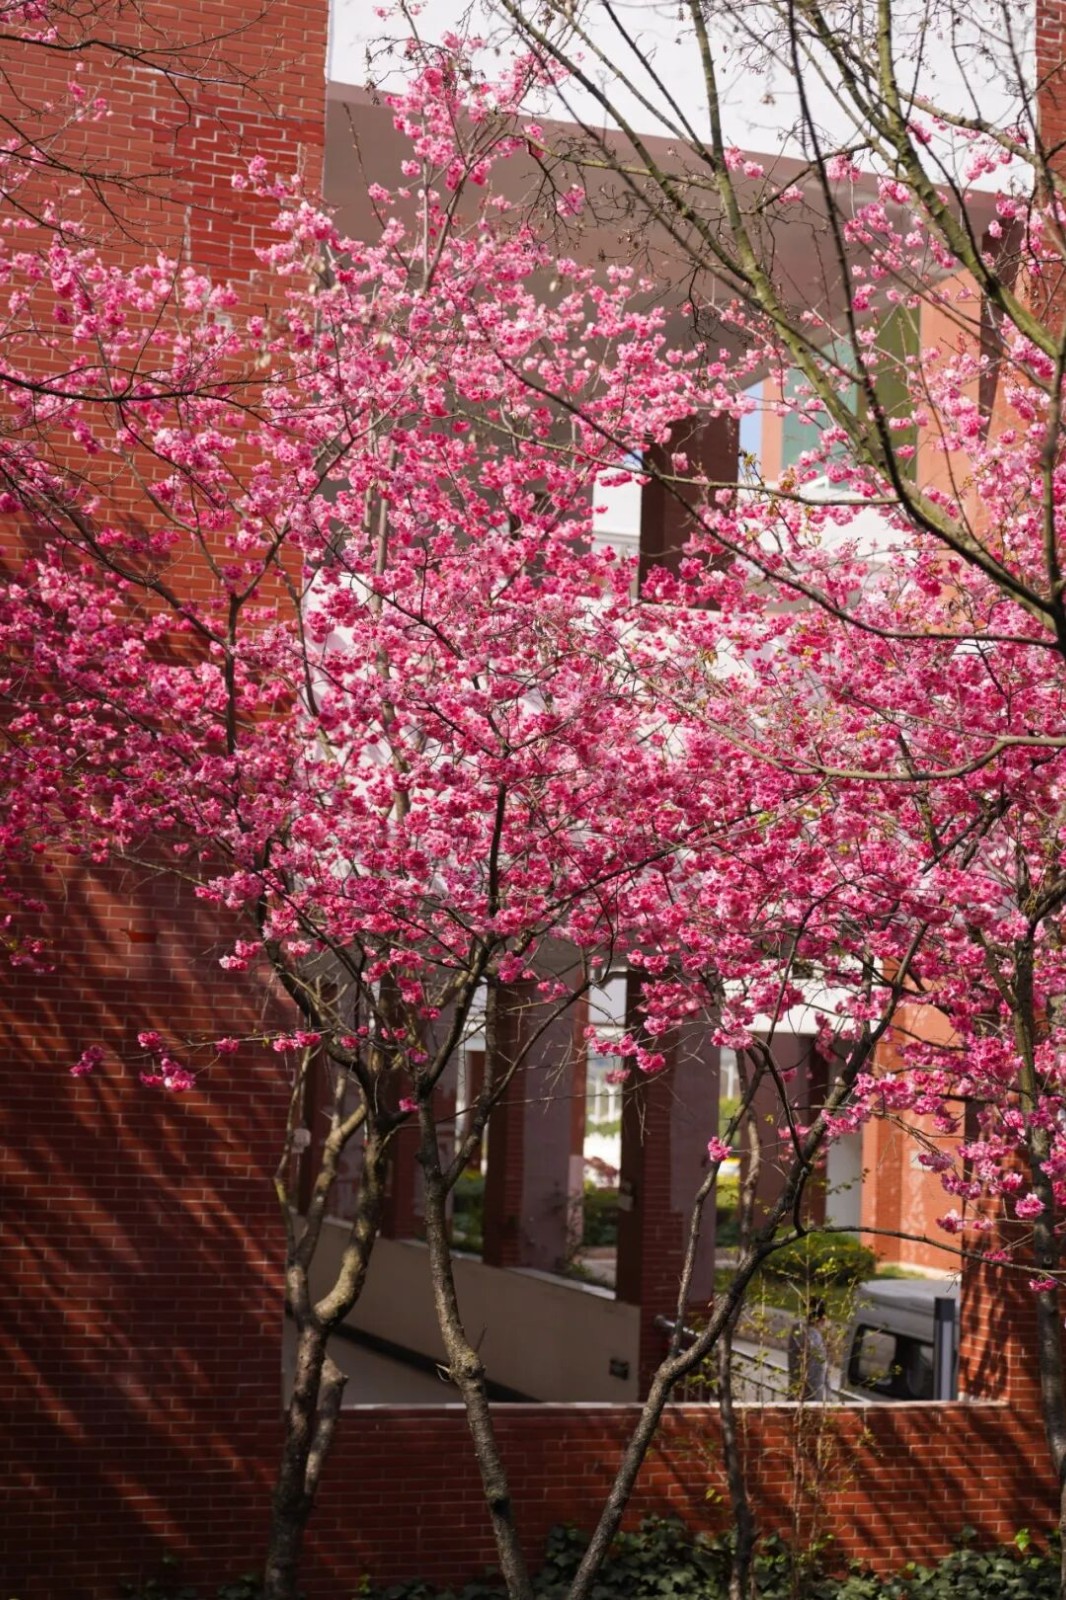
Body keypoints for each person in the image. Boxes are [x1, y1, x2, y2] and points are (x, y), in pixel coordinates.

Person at [787, 1297, 830, 1400]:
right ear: (823, 1319)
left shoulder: (797, 1331)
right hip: (810, 1399)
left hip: (795, 1391)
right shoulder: (815, 1339)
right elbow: (816, 1376)